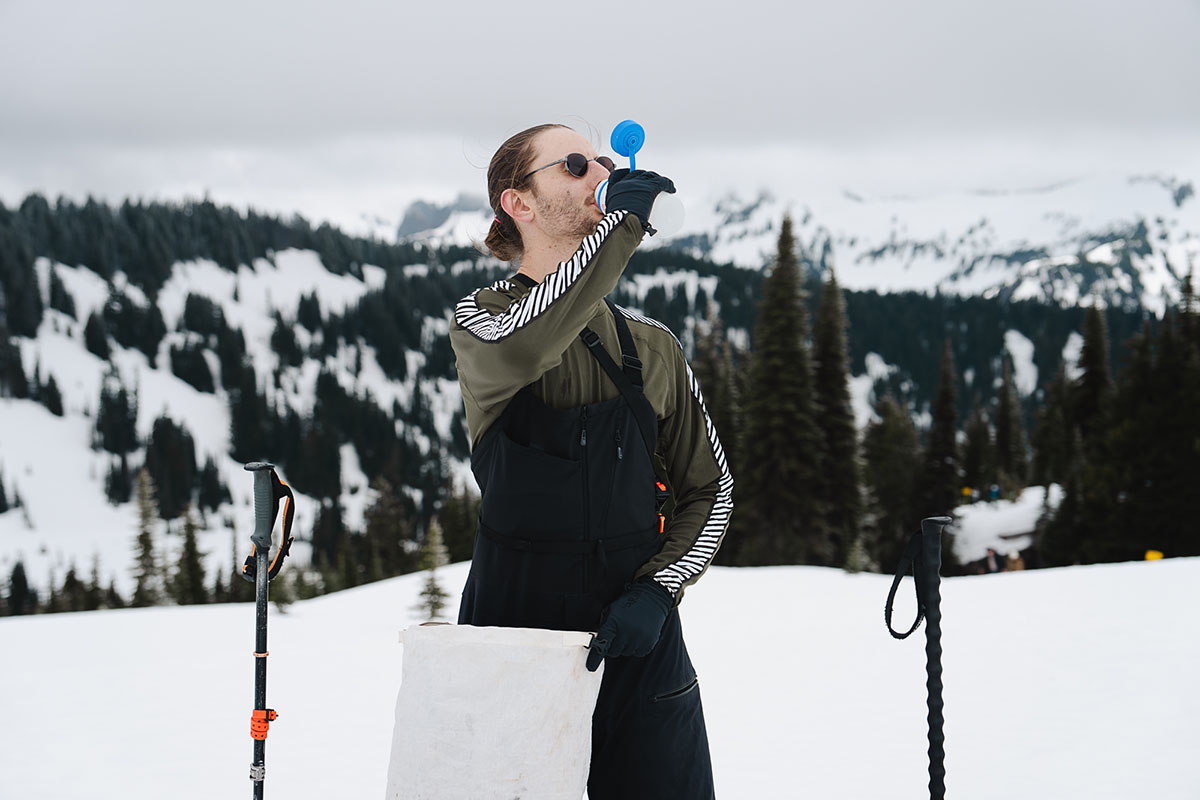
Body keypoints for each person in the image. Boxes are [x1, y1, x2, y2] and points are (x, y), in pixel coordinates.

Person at [449, 123, 733, 800]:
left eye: (602, 163)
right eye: (574, 165)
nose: (596, 175)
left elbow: (711, 489)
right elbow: (529, 343)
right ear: (517, 203)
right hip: (511, 640)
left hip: (638, 645)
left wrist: (658, 590)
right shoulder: (481, 321)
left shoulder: (654, 346)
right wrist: (623, 227)